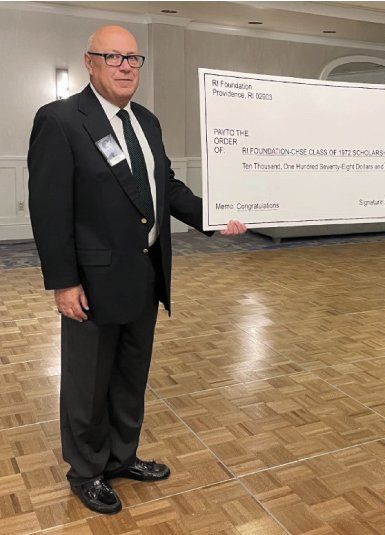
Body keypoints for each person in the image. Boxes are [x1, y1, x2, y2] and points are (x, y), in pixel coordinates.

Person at [28, 25, 246, 515]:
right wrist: (63, 282)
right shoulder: (61, 120)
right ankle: (86, 471)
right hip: (91, 283)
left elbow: (165, 188)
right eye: (114, 57)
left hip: (146, 275)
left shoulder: (146, 121)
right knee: (87, 385)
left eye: (133, 58)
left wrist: (213, 218)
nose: (126, 66)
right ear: (90, 62)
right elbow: (49, 209)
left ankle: (121, 457)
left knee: (129, 377)